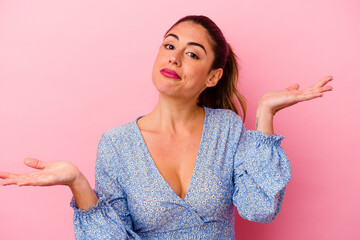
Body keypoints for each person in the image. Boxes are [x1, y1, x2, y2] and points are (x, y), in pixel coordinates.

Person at [0, 15, 333, 239]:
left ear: (213, 76)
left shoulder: (227, 129)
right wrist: (78, 183)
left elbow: (260, 210)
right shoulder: (117, 144)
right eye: (170, 45)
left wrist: (264, 116)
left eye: (193, 54)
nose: (174, 58)